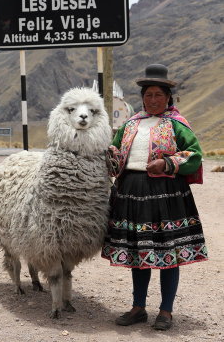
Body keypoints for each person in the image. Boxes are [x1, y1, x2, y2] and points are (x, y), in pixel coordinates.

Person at [102, 64, 208, 331]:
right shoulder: (129, 125)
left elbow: (193, 156)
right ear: (142, 97)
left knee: (168, 253)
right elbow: (116, 159)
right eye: (148, 95)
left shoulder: (177, 125)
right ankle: (138, 308)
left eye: (158, 95)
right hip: (131, 193)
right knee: (140, 252)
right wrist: (110, 154)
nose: (152, 100)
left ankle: (166, 311)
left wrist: (167, 164)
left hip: (167, 194)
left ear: (168, 97)